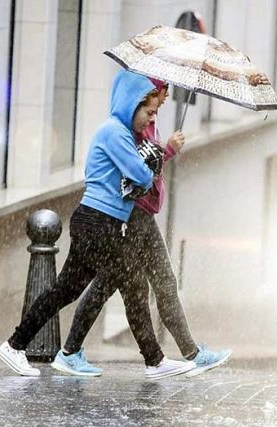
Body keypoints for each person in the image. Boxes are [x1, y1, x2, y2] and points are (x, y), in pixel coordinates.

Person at [52, 78, 232, 380]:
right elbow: (138, 165)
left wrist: (164, 150)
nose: (163, 101)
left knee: (129, 283)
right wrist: (169, 150)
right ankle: (178, 356)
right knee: (136, 282)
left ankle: (74, 351)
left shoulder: (148, 119)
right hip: (133, 213)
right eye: (163, 93)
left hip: (141, 213)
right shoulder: (133, 122)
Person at [0, 70, 161, 376]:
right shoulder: (115, 132)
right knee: (134, 282)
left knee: (66, 291)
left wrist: (147, 162)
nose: (151, 120)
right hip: (96, 222)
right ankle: (155, 361)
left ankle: (19, 345)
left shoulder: (120, 133)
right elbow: (140, 177)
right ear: (131, 105)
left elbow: (131, 180)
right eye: (148, 112)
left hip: (98, 222)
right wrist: (150, 165)